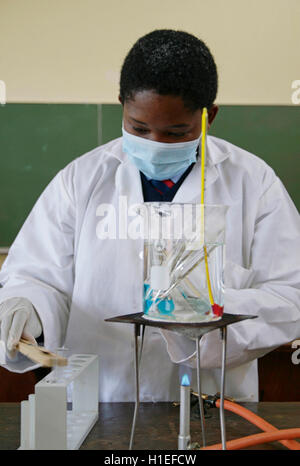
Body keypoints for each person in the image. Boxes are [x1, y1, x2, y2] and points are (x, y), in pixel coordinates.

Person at [0, 29, 300, 402]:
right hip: (101, 399)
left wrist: (209, 313)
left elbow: (290, 295)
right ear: (121, 105)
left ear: (209, 116)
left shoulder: (254, 184)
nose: (155, 145)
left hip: (211, 403)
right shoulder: (80, 180)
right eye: (139, 128)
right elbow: (39, 276)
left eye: (176, 132)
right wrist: (26, 307)